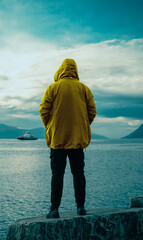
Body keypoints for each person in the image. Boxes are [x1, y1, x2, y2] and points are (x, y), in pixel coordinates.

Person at [39, 58, 97, 219]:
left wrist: (51, 126)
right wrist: (83, 125)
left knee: (57, 174)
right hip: (77, 140)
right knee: (78, 173)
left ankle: (54, 209)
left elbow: (43, 110)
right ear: (75, 70)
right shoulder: (84, 89)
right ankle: (81, 207)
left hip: (57, 140)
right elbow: (92, 111)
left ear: (60, 70)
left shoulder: (53, 88)